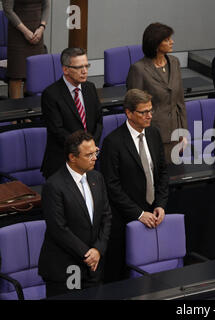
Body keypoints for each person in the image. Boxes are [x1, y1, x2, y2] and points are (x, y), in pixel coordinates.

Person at [100, 89, 169, 283]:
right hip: (125, 218)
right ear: (129, 113)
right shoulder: (113, 142)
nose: (149, 116)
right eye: (143, 112)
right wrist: (138, 213)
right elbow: (112, 186)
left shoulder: (154, 134)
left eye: (150, 111)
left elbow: (162, 173)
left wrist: (161, 204)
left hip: (154, 214)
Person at [38, 130, 112, 298]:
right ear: (72, 157)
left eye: (96, 152)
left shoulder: (97, 178)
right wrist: (88, 254)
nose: (95, 158)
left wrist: (98, 250)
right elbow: (59, 229)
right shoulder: (54, 186)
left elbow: (106, 216)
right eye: (89, 155)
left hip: (94, 265)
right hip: (67, 268)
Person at [126, 22, 187, 163]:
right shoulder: (139, 69)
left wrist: (183, 132)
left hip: (175, 133)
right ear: (155, 44)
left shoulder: (175, 62)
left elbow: (180, 101)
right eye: (167, 39)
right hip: (152, 133)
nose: (172, 42)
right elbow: (134, 106)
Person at [41, 47, 103, 179]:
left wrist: (90, 147)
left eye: (87, 66)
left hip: (88, 159)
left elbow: (98, 122)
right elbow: (57, 130)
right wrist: (81, 149)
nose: (84, 71)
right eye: (79, 67)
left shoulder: (90, 88)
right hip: (63, 161)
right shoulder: (51, 94)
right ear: (66, 69)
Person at [2, 0, 49, 99]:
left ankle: (30, 108)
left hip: (37, 34)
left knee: (32, 75)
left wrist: (42, 27)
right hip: (18, 34)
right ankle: (15, 110)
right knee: (16, 75)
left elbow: (46, 6)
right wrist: (25, 31)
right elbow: (8, 10)